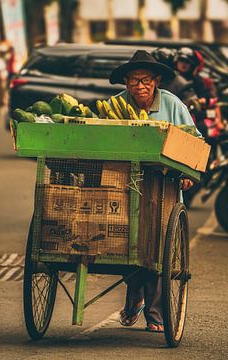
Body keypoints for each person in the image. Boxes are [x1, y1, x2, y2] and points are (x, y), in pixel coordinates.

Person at [108, 50, 201, 333]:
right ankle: (134, 294)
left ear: (156, 81)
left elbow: (193, 141)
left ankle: (155, 312)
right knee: (124, 244)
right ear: (126, 82)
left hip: (164, 190)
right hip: (126, 186)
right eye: (133, 80)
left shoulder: (173, 105)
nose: (140, 86)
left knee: (157, 250)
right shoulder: (115, 105)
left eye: (145, 80)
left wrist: (187, 173)